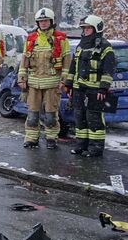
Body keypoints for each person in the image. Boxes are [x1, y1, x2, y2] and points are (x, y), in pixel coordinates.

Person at [18, 8, 71, 149]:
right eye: (40, 21)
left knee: (51, 115)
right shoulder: (31, 39)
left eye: (46, 21)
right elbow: (24, 61)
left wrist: (64, 81)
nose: (43, 23)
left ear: (51, 22)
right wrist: (21, 79)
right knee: (32, 115)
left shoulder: (61, 39)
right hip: (33, 84)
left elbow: (67, 62)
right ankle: (31, 138)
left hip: (52, 84)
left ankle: (51, 138)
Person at [64, 15, 115, 157]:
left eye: (88, 28)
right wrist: (69, 84)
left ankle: (95, 148)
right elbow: (73, 66)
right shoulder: (81, 46)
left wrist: (103, 88)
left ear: (96, 29)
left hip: (95, 90)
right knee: (79, 118)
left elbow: (108, 70)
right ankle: (81, 146)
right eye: (84, 28)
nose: (85, 31)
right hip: (79, 89)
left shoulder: (105, 47)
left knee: (94, 119)